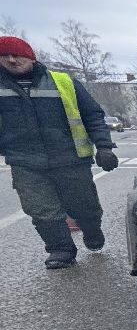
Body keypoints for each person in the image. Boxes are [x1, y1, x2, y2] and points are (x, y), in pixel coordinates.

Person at [0, 36, 119, 269]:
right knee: (42, 209)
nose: (12, 60)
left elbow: (92, 114)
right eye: (5, 56)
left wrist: (104, 146)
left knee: (84, 206)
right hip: (26, 162)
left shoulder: (62, 82)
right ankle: (61, 249)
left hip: (70, 158)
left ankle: (92, 230)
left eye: (18, 55)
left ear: (31, 57)